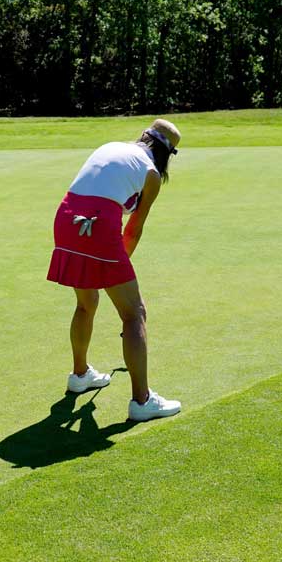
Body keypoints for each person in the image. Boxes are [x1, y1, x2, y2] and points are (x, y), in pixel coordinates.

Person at [47, 118, 183, 422]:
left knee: (87, 302)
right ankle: (142, 401)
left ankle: (80, 375)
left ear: (144, 136)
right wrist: (118, 269)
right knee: (134, 312)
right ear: (167, 154)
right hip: (98, 227)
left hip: (65, 219)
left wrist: (110, 268)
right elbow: (133, 230)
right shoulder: (152, 175)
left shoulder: (111, 146)